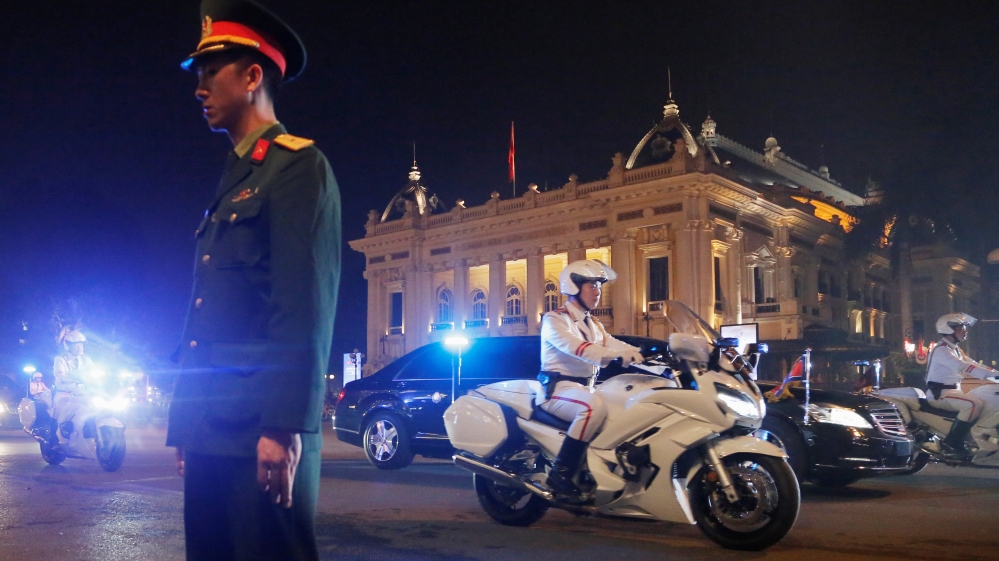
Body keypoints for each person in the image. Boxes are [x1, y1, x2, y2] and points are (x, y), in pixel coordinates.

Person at [165, 1, 341, 560]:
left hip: (259, 427)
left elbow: (302, 306)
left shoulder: (297, 168)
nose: (199, 87)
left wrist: (284, 427)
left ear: (252, 75)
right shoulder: (237, 175)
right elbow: (209, 310)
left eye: (209, 71)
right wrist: (187, 423)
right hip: (213, 424)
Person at [538, 259, 643, 496]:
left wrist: (642, 355)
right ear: (574, 286)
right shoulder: (555, 319)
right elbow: (578, 348)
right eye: (592, 285)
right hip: (559, 388)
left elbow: (614, 343)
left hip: (586, 387)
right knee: (592, 408)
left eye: (600, 286)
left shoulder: (593, 323)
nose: (598, 292)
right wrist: (614, 357)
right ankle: (561, 473)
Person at [925, 313, 996, 457]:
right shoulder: (942, 350)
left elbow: (973, 364)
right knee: (974, 404)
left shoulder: (955, 349)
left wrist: (994, 372)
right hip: (940, 394)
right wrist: (992, 375)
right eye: (962, 327)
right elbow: (963, 367)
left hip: (953, 392)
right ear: (950, 329)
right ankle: (952, 442)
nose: (966, 330)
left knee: (983, 400)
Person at [51, 330, 94, 445]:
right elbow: (59, 374)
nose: (79, 347)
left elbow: (94, 372)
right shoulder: (60, 359)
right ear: (68, 346)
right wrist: (66, 378)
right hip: (64, 392)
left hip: (82, 392)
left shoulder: (86, 359)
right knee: (64, 409)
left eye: (81, 344)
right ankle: (59, 436)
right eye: (76, 345)